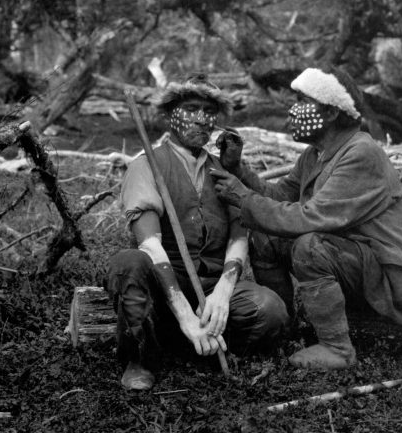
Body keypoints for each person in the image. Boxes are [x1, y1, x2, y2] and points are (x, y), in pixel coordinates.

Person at [210, 66, 402, 371]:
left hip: (388, 283)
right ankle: (286, 327)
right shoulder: (316, 154)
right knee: (264, 237)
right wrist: (240, 171)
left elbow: (310, 218)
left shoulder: (361, 153)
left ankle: (338, 349)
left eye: (302, 100)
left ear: (332, 112)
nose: (293, 109)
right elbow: (280, 196)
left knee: (309, 246)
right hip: (354, 264)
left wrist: (242, 198)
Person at [106, 73, 289, 390]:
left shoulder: (222, 170)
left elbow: (238, 235)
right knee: (128, 263)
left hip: (211, 285)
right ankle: (141, 358)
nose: (203, 119)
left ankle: (194, 341)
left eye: (209, 112)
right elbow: (150, 246)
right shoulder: (146, 165)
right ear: (169, 114)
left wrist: (223, 292)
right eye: (192, 108)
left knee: (270, 310)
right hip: (164, 289)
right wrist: (186, 315)